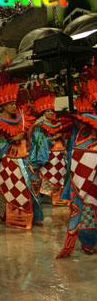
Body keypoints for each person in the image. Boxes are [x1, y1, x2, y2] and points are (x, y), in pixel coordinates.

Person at [0, 73, 43, 229]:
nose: (13, 106)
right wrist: (10, 140)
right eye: (10, 104)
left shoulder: (21, 117)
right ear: (3, 105)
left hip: (23, 158)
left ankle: (33, 215)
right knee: (4, 188)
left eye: (14, 103)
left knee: (30, 185)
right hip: (6, 161)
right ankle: (4, 215)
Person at [57, 72, 97, 258]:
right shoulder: (82, 122)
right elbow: (77, 148)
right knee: (88, 205)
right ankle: (88, 240)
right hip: (87, 174)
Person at [29, 86, 70, 206]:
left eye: (52, 110)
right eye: (48, 111)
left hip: (60, 154)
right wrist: (53, 138)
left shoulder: (57, 124)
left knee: (60, 176)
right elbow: (37, 141)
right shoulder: (39, 126)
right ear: (43, 113)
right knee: (48, 176)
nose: (51, 112)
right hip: (49, 155)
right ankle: (50, 198)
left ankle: (58, 197)